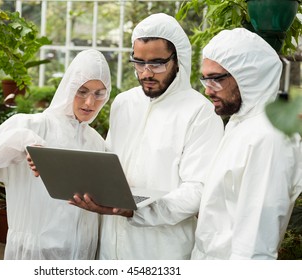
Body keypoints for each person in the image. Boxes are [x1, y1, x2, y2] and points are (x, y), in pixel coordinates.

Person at [69, 13, 224, 259]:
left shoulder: (200, 112)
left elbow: (198, 189)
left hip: (162, 251)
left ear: (178, 59)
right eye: (139, 63)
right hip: (111, 245)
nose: (146, 73)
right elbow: (108, 162)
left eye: (157, 63)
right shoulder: (124, 103)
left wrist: (136, 211)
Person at [0, 49, 111, 259]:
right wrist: (20, 141)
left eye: (99, 94)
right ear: (69, 87)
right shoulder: (30, 125)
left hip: (82, 252)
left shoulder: (96, 142)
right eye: (82, 91)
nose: (89, 103)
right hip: (34, 254)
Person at [191, 28, 302, 260]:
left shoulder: (270, 137)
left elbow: (254, 247)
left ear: (249, 76)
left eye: (216, 79)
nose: (207, 89)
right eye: (205, 78)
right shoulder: (241, 122)